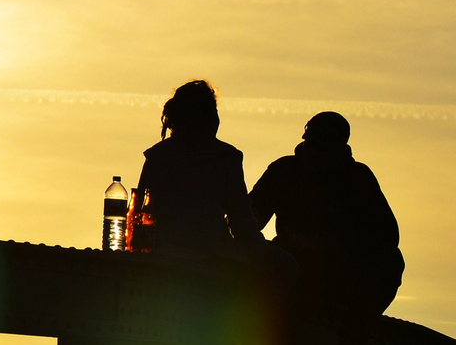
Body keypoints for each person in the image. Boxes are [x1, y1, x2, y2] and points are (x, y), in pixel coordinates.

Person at [249, 111, 403, 318]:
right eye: (311, 143)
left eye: (324, 146)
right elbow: (249, 218)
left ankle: (356, 327)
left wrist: (332, 244)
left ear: (339, 148)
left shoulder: (358, 179)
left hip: (338, 266)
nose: (315, 152)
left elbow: (388, 236)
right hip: (288, 260)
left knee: (391, 261)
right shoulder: (284, 170)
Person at [135, 80, 264, 254]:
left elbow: (138, 216)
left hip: (162, 252)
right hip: (213, 254)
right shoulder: (226, 157)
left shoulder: (157, 156)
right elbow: (241, 221)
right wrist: (261, 250)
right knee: (286, 264)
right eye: (213, 111)